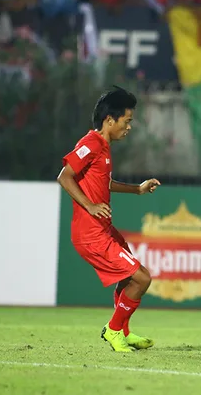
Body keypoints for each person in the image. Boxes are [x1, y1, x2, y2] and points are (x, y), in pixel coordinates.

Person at [57, 86, 160, 353]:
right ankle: (114, 330)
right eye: (127, 121)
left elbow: (105, 182)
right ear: (109, 120)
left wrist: (137, 189)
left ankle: (122, 331)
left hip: (104, 230)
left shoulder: (103, 147)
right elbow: (65, 176)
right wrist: (89, 206)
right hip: (91, 234)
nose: (129, 127)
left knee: (129, 278)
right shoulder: (91, 143)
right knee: (142, 278)